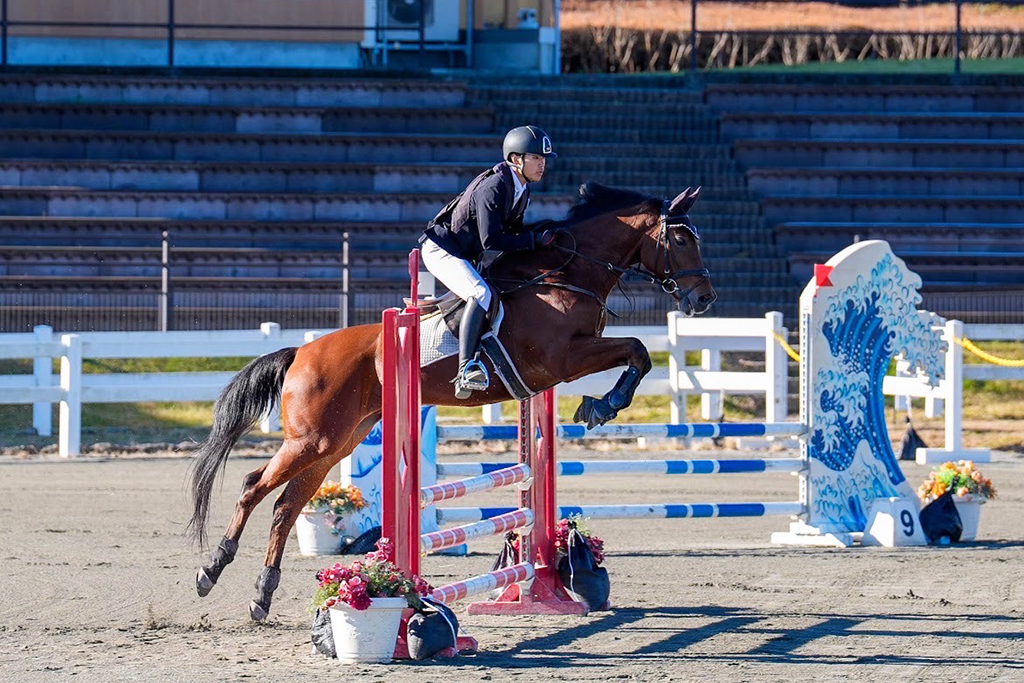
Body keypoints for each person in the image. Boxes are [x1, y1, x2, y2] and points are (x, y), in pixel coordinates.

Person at [420, 125, 559, 399]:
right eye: (536, 158)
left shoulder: (521, 189)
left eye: (543, 159)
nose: (542, 164)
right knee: (480, 292)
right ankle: (466, 368)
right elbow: (492, 241)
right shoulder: (495, 186)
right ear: (516, 159)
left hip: (465, 253)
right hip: (442, 250)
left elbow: (514, 233)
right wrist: (533, 241)